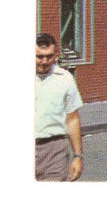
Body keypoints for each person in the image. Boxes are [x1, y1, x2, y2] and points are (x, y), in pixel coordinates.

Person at [35, 33, 85, 181]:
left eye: (49, 57)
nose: (44, 61)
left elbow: (72, 118)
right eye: (39, 57)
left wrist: (78, 156)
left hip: (54, 151)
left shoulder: (64, 78)